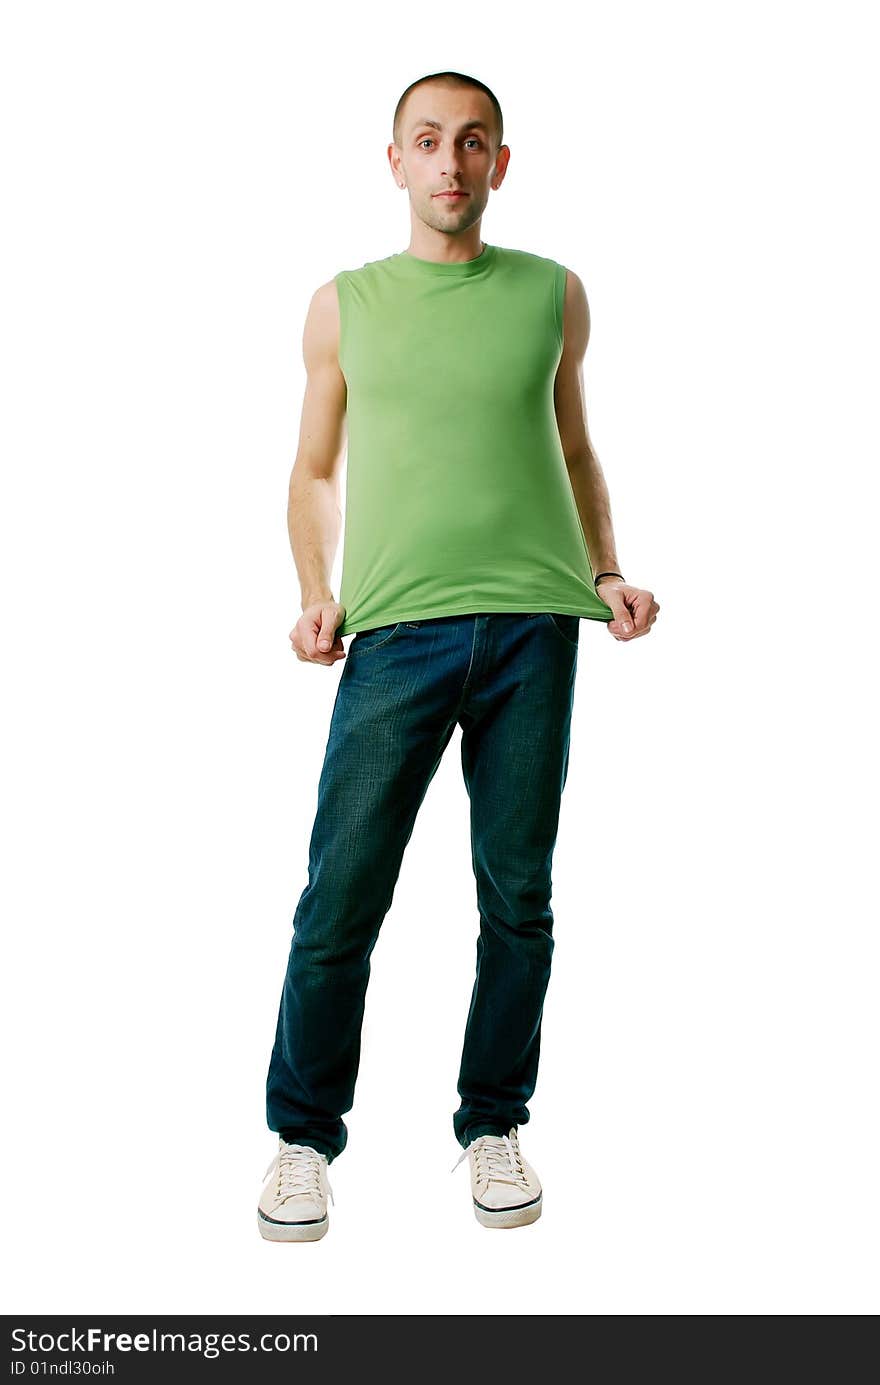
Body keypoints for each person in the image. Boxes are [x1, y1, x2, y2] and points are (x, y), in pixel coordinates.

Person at [258, 69, 660, 1242]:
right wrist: (313, 593)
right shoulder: (344, 303)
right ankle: (300, 1136)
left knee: (517, 898)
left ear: (499, 162)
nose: (449, 163)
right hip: (394, 635)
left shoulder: (552, 293)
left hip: (536, 628)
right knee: (342, 894)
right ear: (394, 162)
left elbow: (576, 451)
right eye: (427, 142)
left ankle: (492, 1122)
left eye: (471, 142)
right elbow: (313, 469)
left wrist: (605, 571)